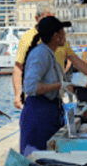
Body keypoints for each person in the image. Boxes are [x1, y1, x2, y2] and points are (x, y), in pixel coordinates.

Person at [13, 4, 87, 110]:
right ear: (36, 18)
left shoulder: (56, 43)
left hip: (54, 101)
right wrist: (17, 94)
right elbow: (20, 70)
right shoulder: (34, 45)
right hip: (39, 103)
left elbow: (78, 62)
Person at [20, 16, 72, 156]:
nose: (65, 35)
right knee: (37, 161)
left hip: (48, 114)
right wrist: (60, 85)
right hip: (38, 117)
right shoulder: (41, 53)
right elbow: (30, 87)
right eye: (63, 32)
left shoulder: (49, 53)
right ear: (56, 36)